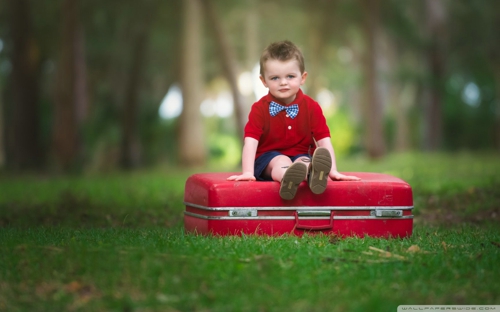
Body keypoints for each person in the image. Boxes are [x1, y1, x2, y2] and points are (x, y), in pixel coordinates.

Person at [227, 40, 360, 200]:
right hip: (268, 158)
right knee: (280, 161)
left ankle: (311, 174)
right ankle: (287, 177)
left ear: (302, 77)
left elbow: (324, 142)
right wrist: (248, 172)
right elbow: (250, 142)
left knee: (304, 161)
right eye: (275, 78)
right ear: (264, 81)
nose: (283, 82)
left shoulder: (312, 107)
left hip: (301, 154)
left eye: (290, 76)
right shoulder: (259, 109)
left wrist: (333, 171)